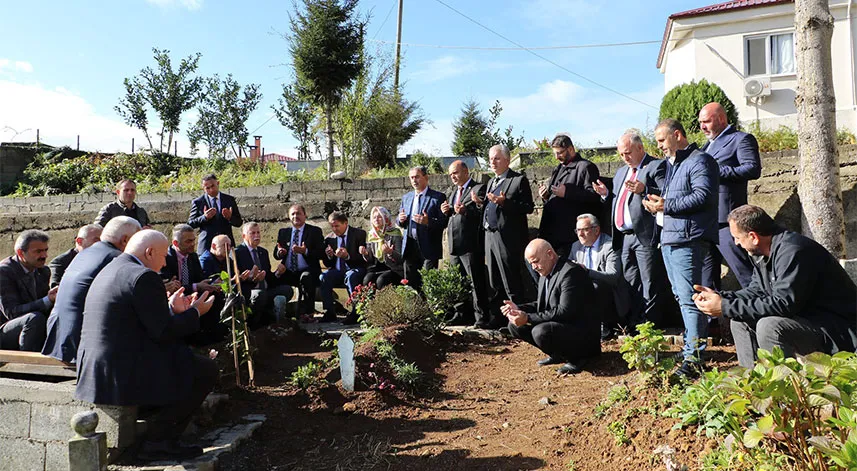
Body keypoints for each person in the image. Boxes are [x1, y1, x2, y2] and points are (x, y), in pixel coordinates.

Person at [75, 230, 216, 462]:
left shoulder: (112, 267)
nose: (164, 263)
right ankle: (159, 441)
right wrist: (194, 313)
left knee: (184, 357)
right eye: (162, 256)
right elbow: (163, 332)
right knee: (204, 369)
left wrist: (172, 310)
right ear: (149, 252)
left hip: (99, 366)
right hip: (119, 371)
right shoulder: (143, 276)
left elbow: (144, 320)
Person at [693, 205, 857, 368]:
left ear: (753, 236)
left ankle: (780, 388)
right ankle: (751, 384)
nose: (736, 243)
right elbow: (756, 290)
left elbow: (783, 304)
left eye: (737, 237)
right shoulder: (763, 252)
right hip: (808, 321)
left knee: (770, 326)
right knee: (740, 320)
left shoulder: (793, 251)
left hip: (837, 331)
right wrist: (721, 298)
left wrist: (725, 306)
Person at [643, 118, 719, 379]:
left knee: (690, 300)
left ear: (677, 135)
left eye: (662, 140)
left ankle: (695, 359)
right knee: (681, 297)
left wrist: (666, 205)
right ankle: (690, 349)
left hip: (688, 239)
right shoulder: (674, 165)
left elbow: (703, 196)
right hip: (671, 238)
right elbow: (674, 199)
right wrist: (656, 205)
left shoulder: (699, 160)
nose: (659, 146)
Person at [593, 132, 668, 326]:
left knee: (649, 282)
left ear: (640, 148)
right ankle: (636, 323)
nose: (625, 158)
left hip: (644, 234)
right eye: (621, 154)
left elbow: (666, 193)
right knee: (630, 282)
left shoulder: (655, 166)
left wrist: (645, 190)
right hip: (624, 237)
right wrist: (606, 194)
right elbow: (620, 200)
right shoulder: (620, 173)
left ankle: (651, 325)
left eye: (628, 153)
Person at [42, 216, 141, 363]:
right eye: (137, 240)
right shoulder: (116, 258)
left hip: (59, 336)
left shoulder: (85, 253)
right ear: (125, 240)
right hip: (81, 342)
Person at [501, 239, 599, 375]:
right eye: (531, 263)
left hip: (582, 335)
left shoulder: (570, 272)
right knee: (514, 326)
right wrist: (518, 309)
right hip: (563, 326)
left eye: (535, 261)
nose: (534, 267)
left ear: (550, 254)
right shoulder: (546, 271)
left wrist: (527, 317)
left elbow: (565, 311)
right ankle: (558, 354)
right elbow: (543, 304)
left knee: (541, 332)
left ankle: (578, 358)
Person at [699, 102, 762, 288]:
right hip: (705, 222)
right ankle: (711, 317)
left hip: (728, 222)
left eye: (707, 121)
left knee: (745, 273)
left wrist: (717, 171)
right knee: (706, 281)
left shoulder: (741, 139)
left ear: (720, 118)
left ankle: (763, 312)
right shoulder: (705, 147)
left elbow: (752, 168)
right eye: (700, 122)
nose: (702, 126)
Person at [472, 144, 535, 328]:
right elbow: (490, 208)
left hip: (507, 238)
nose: (493, 162)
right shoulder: (492, 181)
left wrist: (505, 202)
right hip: (489, 236)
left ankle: (518, 319)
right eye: (491, 158)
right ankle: (498, 318)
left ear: (507, 160)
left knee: (510, 279)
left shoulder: (518, 180)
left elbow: (528, 207)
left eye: (497, 158)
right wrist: (480, 204)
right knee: (494, 280)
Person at [538, 133, 602, 257]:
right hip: (552, 232)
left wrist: (567, 193)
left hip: (569, 235)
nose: (557, 157)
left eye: (560, 153)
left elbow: (594, 197)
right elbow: (554, 195)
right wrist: (546, 196)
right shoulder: (558, 169)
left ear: (571, 149)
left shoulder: (586, 167)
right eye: (555, 153)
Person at [441, 160, 489, 326]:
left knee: (475, 281)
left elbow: (483, 212)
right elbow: (454, 215)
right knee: (458, 281)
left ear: (465, 171)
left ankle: (481, 316)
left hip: (470, 244)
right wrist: (446, 212)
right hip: (455, 244)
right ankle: (461, 313)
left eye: (455, 172)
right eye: (451, 174)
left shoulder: (478, 188)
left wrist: (466, 210)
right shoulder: (453, 192)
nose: (453, 177)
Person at [161, 224, 225, 345]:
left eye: (194, 240)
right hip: (175, 300)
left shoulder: (193, 256)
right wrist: (196, 286)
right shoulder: (166, 258)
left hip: (192, 295)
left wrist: (211, 284)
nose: (193, 244)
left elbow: (200, 280)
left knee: (215, 298)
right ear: (175, 243)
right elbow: (172, 286)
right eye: (188, 241)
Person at [569, 214, 630, 341]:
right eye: (578, 230)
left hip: (610, 297)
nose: (580, 234)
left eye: (584, 230)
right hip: (584, 292)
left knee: (595, 286)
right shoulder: (576, 246)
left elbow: (613, 276)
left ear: (596, 230)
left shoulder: (609, 246)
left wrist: (586, 271)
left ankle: (605, 327)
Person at [0, 230, 58, 351]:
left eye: (45, 250)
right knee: (34, 319)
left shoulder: (43, 271)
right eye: (38, 251)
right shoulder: (4, 272)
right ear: (21, 253)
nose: (44, 256)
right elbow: (11, 313)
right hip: (5, 330)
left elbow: (45, 307)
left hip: (30, 327)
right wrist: (47, 300)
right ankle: (28, 366)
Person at [397, 166, 448, 292]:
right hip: (410, 246)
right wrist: (400, 220)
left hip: (428, 247)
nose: (414, 180)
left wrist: (428, 222)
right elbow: (399, 221)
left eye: (417, 177)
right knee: (411, 284)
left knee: (429, 284)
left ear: (425, 178)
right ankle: (415, 310)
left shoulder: (438, 197)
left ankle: (430, 310)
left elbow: (443, 222)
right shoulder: (406, 198)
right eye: (412, 178)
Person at [235, 222, 293, 326]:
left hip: (266, 289)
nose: (256, 236)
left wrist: (278, 273)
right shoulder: (237, 253)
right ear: (244, 236)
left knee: (287, 289)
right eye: (252, 233)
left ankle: (271, 314)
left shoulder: (263, 252)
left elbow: (269, 278)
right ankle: (255, 323)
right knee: (260, 295)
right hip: (250, 292)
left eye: (258, 233)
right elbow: (237, 280)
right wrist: (251, 278)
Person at [273, 204, 325, 317]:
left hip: (307, 269)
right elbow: (276, 254)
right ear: (289, 216)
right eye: (293, 214)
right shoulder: (283, 232)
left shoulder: (314, 231)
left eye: (298, 213)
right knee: (274, 278)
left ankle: (308, 313)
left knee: (306, 278)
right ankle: (277, 314)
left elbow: (321, 253)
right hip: (288, 270)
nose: (295, 216)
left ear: (305, 215)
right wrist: (280, 252)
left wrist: (305, 251)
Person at [319, 211, 367, 324]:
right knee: (324, 277)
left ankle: (356, 312)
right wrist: (329, 256)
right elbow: (327, 264)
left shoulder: (359, 234)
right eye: (332, 226)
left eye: (337, 226)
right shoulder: (329, 239)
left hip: (355, 269)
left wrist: (347, 256)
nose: (334, 229)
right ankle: (330, 312)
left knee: (351, 277)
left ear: (345, 223)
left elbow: (362, 259)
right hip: (338, 271)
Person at [188, 173, 243, 255]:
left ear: (218, 183)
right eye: (207, 188)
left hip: (226, 245)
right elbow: (190, 224)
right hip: (206, 246)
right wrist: (204, 217)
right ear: (203, 188)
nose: (211, 190)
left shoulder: (229, 200)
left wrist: (229, 217)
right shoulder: (198, 202)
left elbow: (239, 222)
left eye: (213, 186)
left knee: (229, 267)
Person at [360, 206, 404, 289]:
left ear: (386, 218)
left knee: (381, 280)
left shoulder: (395, 233)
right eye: (374, 217)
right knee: (367, 279)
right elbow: (371, 260)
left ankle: (384, 301)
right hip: (377, 268)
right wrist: (365, 253)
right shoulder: (371, 235)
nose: (376, 219)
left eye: (379, 217)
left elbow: (401, 258)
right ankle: (370, 302)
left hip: (394, 269)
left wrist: (391, 252)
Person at [48, 223, 102, 288]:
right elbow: (55, 290)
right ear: (79, 241)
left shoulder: (103, 259)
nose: (101, 245)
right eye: (97, 241)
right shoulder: (60, 263)